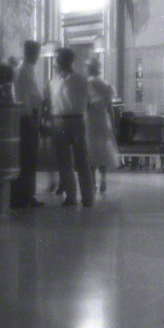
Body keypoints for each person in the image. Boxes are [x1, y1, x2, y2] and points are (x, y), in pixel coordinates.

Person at [46, 46, 96, 207]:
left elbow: (90, 101)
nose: (56, 63)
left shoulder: (80, 80)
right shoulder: (53, 81)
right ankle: (71, 196)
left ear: (66, 61)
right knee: (64, 161)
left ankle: (88, 196)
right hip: (58, 120)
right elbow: (50, 102)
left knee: (82, 159)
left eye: (58, 59)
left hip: (76, 120)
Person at [11, 41, 48, 208]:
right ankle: (24, 195)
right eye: (36, 52)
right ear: (30, 53)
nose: (37, 56)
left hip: (31, 116)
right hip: (26, 118)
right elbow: (23, 97)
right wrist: (33, 114)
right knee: (27, 158)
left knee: (29, 159)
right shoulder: (22, 71)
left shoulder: (28, 70)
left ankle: (27, 194)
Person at [85, 55, 119, 194]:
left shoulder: (88, 83)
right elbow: (110, 107)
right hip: (103, 120)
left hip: (91, 119)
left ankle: (92, 181)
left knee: (91, 149)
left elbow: (85, 104)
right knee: (103, 148)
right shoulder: (106, 85)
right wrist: (113, 123)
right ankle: (103, 178)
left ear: (90, 69)